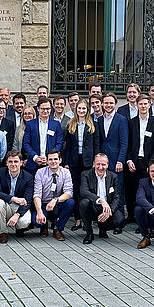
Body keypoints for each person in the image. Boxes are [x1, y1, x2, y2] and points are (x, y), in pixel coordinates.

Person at [125, 94, 154, 224]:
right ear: (136, 105)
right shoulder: (131, 122)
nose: (143, 106)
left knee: (148, 191)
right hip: (135, 161)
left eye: (145, 104)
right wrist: (129, 160)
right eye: (140, 104)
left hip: (149, 162)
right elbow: (128, 144)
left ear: (149, 105)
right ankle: (132, 216)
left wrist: (152, 163)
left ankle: (147, 218)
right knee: (132, 189)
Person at [64, 99, 97, 230]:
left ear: (87, 110)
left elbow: (96, 145)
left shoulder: (93, 125)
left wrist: (95, 161)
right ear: (76, 110)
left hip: (88, 162)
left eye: (84, 109)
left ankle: (87, 220)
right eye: (79, 108)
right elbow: (68, 146)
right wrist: (66, 162)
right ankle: (77, 219)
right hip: (74, 162)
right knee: (76, 190)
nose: (81, 111)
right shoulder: (71, 124)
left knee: (88, 191)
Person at [78, 153, 125, 243]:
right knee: (83, 203)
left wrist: (109, 211)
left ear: (107, 165)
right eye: (98, 164)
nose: (100, 167)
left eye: (103, 164)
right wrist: (100, 200)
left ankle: (103, 228)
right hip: (92, 206)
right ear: (94, 164)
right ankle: (89, 233)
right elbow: (84, 192)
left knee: (120, 221)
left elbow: (116, 197)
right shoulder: (86, 174)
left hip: (106, 208)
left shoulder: (113, 177)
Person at [0, 150, 34, 244]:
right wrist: (13, 198)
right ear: (6, 163)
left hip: (20, 206)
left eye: (16, 161)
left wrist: (17, 214)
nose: (13, 164)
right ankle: (3, 232)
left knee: (25, 222)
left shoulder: (28, 177)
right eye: (10, 162)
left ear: (21, 163)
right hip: (6, 204)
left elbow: (28, 200)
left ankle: (19, 229)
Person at [33, 150, 75, 240]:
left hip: (58, 203)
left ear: (60, 160)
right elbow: (37, 194)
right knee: (36, 222)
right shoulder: (40, 173)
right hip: (44, 204)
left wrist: (55, 200)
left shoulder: (66, 172)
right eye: (50, 159)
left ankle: (58, 229)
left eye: (55, 159)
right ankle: (43, 226)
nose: (53, 162)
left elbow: (69, 193)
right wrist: (39, 212)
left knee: (70, 203)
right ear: (47, 161)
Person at [97, 94, 128, 202]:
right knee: (102, 190)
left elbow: (124, 143)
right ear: (102, 104)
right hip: (102, 162)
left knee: (116, 190)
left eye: (111, 103)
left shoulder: (121, 120)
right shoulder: (99, 120)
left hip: (116, 162)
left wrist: (120, 161)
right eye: (106, 103)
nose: (108, 105)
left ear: (115, 104)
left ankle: (118, 216)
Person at [23, 98, 64, 173]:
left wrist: (49, 158)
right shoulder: (30, 124)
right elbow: (26, 143)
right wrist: (35, 157)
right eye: (43, 108)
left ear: (51, 109)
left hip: (51, 164)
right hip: (33, 164)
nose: (45, 111)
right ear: (38, 109)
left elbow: (59, 143)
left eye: (47, 108)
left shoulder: (56, 124)